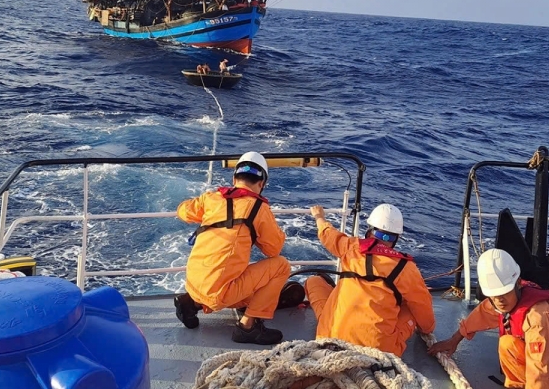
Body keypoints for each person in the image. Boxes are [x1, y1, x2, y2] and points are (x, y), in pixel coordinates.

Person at [427, 249, 549, 388]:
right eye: (494, 295)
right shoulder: (504, 301)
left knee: (513, 348)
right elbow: (482, 314)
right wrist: (454, 340)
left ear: (518, 283)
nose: (499, 300)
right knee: (508, 345)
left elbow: (541, 374)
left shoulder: (539, 321)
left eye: (504, 292)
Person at [174, 151, 290, 345]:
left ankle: (191, 302)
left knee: (235, 279)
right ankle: (247, 327)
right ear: (261, 184)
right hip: (218, 294)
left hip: (192, 283)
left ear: (234, 178)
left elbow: (183, 211)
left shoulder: (212, 198)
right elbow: (274, 250)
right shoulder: (259, 209)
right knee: (281, 266)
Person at [305, 203, 436, 356]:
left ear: (369, 231)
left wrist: (319, 216)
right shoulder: (406, 268)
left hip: (329, 339)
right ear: (395, 238)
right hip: (378, 351)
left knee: (313, 282)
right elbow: (423, 309)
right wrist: (428, 329)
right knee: (414, 306)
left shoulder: (351, 247)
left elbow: (327, 234)